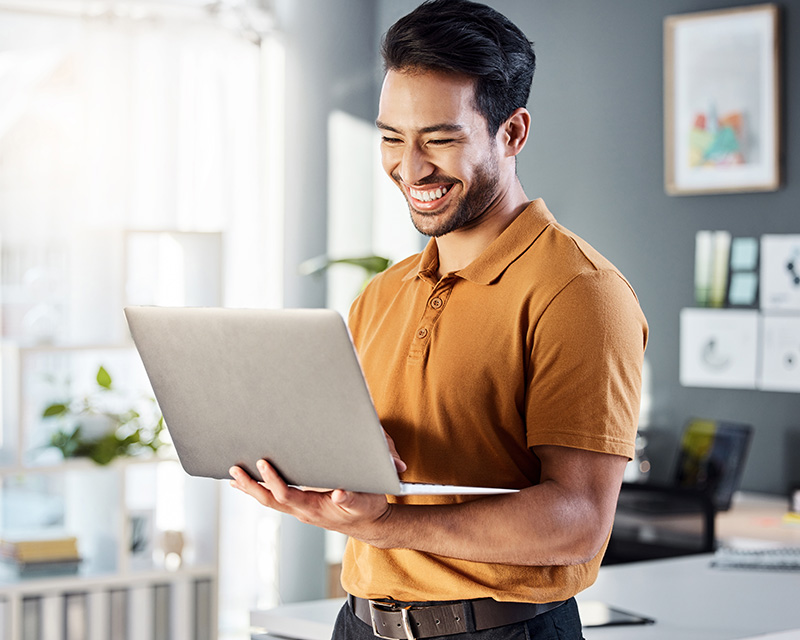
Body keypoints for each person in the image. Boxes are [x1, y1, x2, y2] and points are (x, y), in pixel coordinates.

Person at [229, 1, 648, 638]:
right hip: (361, 623)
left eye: (440, 139)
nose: (410, 166)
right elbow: (385, 476)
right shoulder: (383, 292)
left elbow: (579, 520)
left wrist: (382, 524)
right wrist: (322, 475)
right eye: (392, 137)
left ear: (511, 134)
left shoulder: (580, 293)